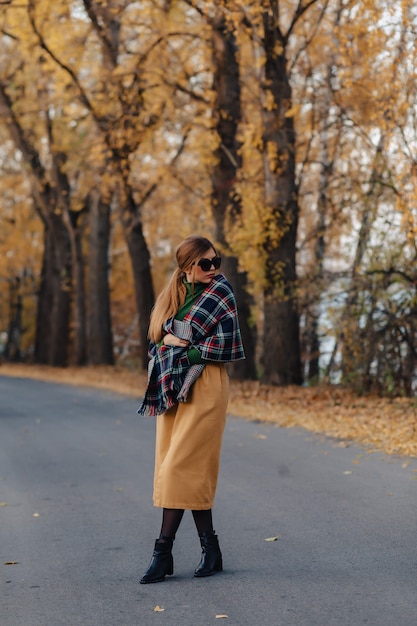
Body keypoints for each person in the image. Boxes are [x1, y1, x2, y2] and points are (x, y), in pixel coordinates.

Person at [137, 234, 245, 584]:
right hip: (173, 387)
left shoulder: (221, 291)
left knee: (179, 467)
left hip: (207, 385)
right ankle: (210, 549)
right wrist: (169, 338)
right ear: (186, 268)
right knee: (187, 470)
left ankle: (162, 552)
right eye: (205, 264)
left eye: (216, 262)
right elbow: (155, 335)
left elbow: (225, 341)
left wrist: (187, 350)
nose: (214, 269)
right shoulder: (174, 293)